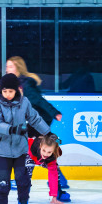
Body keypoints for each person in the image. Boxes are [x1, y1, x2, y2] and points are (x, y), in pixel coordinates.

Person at [0, 73, 51, 204]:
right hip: (3, 150)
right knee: (3, 182)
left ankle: (23, 203)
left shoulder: (24, 103)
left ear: (16, 90)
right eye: (5, 91)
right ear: (1, 90)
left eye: (10, 91)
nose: (7, 94)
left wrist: (48, 133)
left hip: (20, 149)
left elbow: (35, 119)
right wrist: (12, 129)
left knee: (22, 180)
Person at [4, 57, 69, 190]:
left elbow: (39, 101)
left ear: (18, 68)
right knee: (31, 148)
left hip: (40, 120)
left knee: (31, 148)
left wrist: (54, 112)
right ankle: (60, 179)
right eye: (7, 66)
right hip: (34, 120)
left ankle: (25, 179)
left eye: (10, 66)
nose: (7, 69)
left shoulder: (25, 84)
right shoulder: (15, 83)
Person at [26, 133, 69, 204]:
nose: (46, 154)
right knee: (27, 172)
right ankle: (24, 195)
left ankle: (58, 192)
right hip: (29, 155)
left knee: (55, 170)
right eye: (44, 150)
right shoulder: (32, 145)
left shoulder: (52, 157)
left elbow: (53, 175)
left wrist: (54, 197)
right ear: (40, 146)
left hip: (43, 160)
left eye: (49, 152)